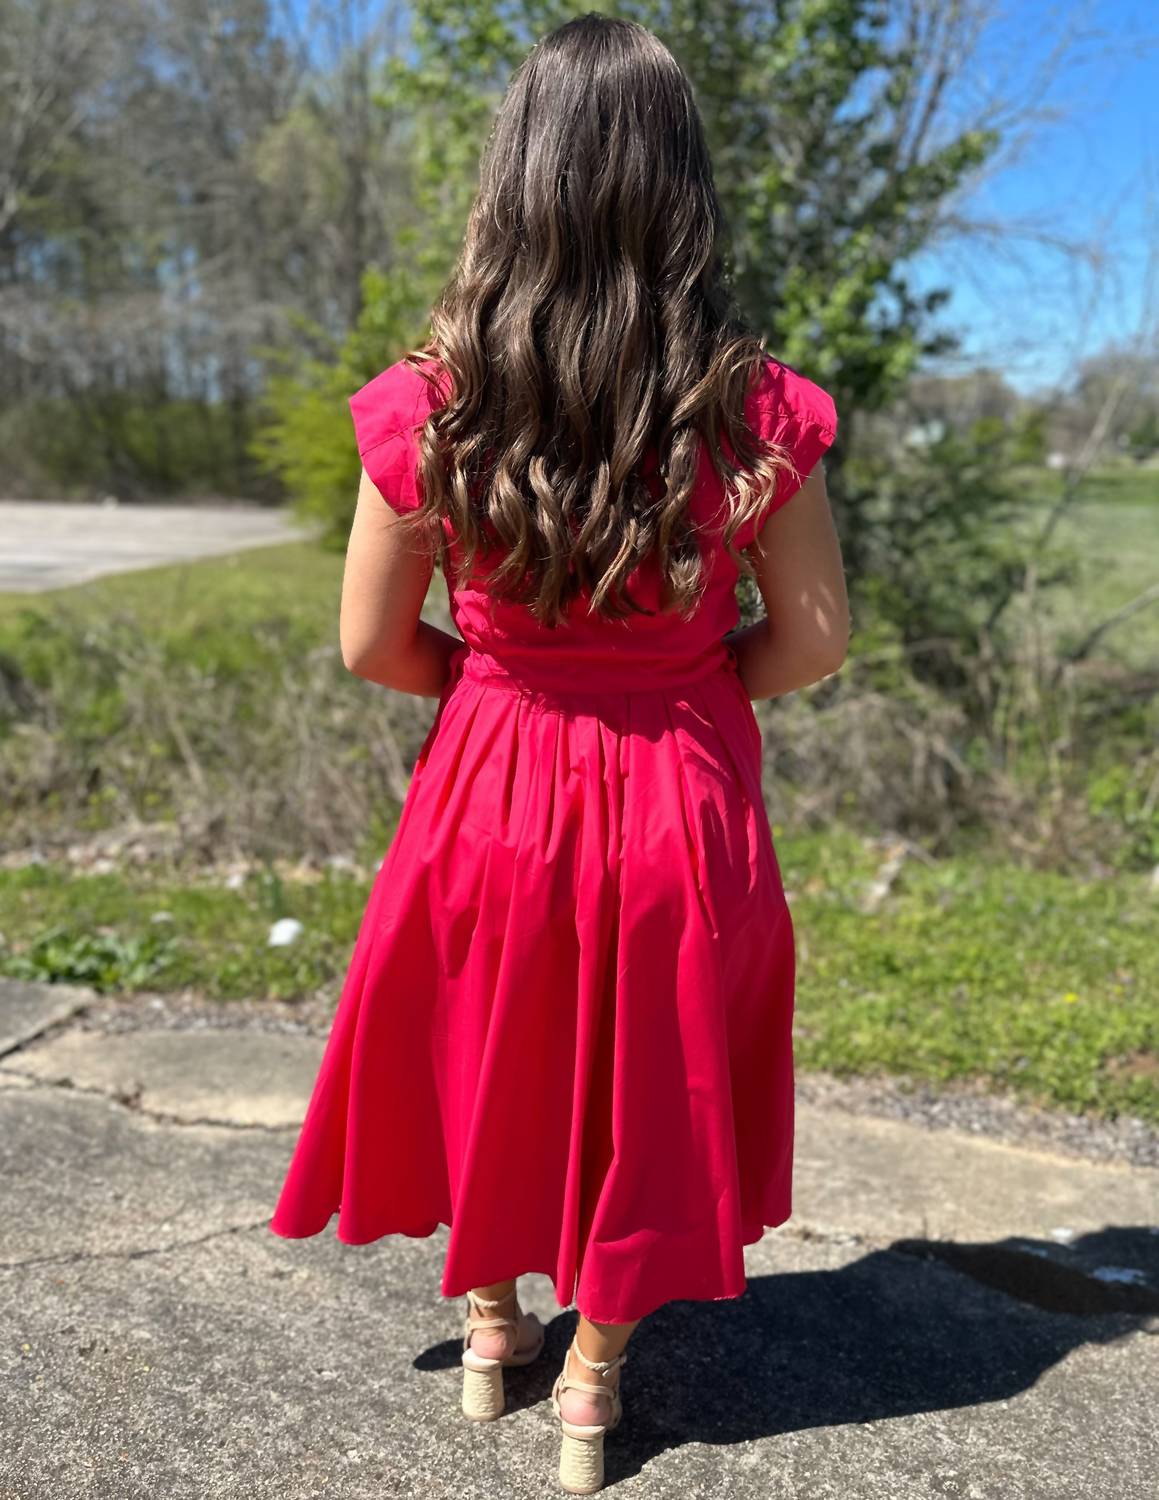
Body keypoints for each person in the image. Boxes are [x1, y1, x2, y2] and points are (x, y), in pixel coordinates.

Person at [268, 12, 848, 1494]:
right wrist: (689, 684)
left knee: (485, 1045)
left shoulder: (432, 405)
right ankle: (594, 1382)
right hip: (680, 792)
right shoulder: (749, 408)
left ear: (511, 176)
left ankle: (490, 1327)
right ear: (682, 188)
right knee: (655, 1082)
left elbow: (371, 644)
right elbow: (815, 637)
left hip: (489, 781)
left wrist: (497, 682)